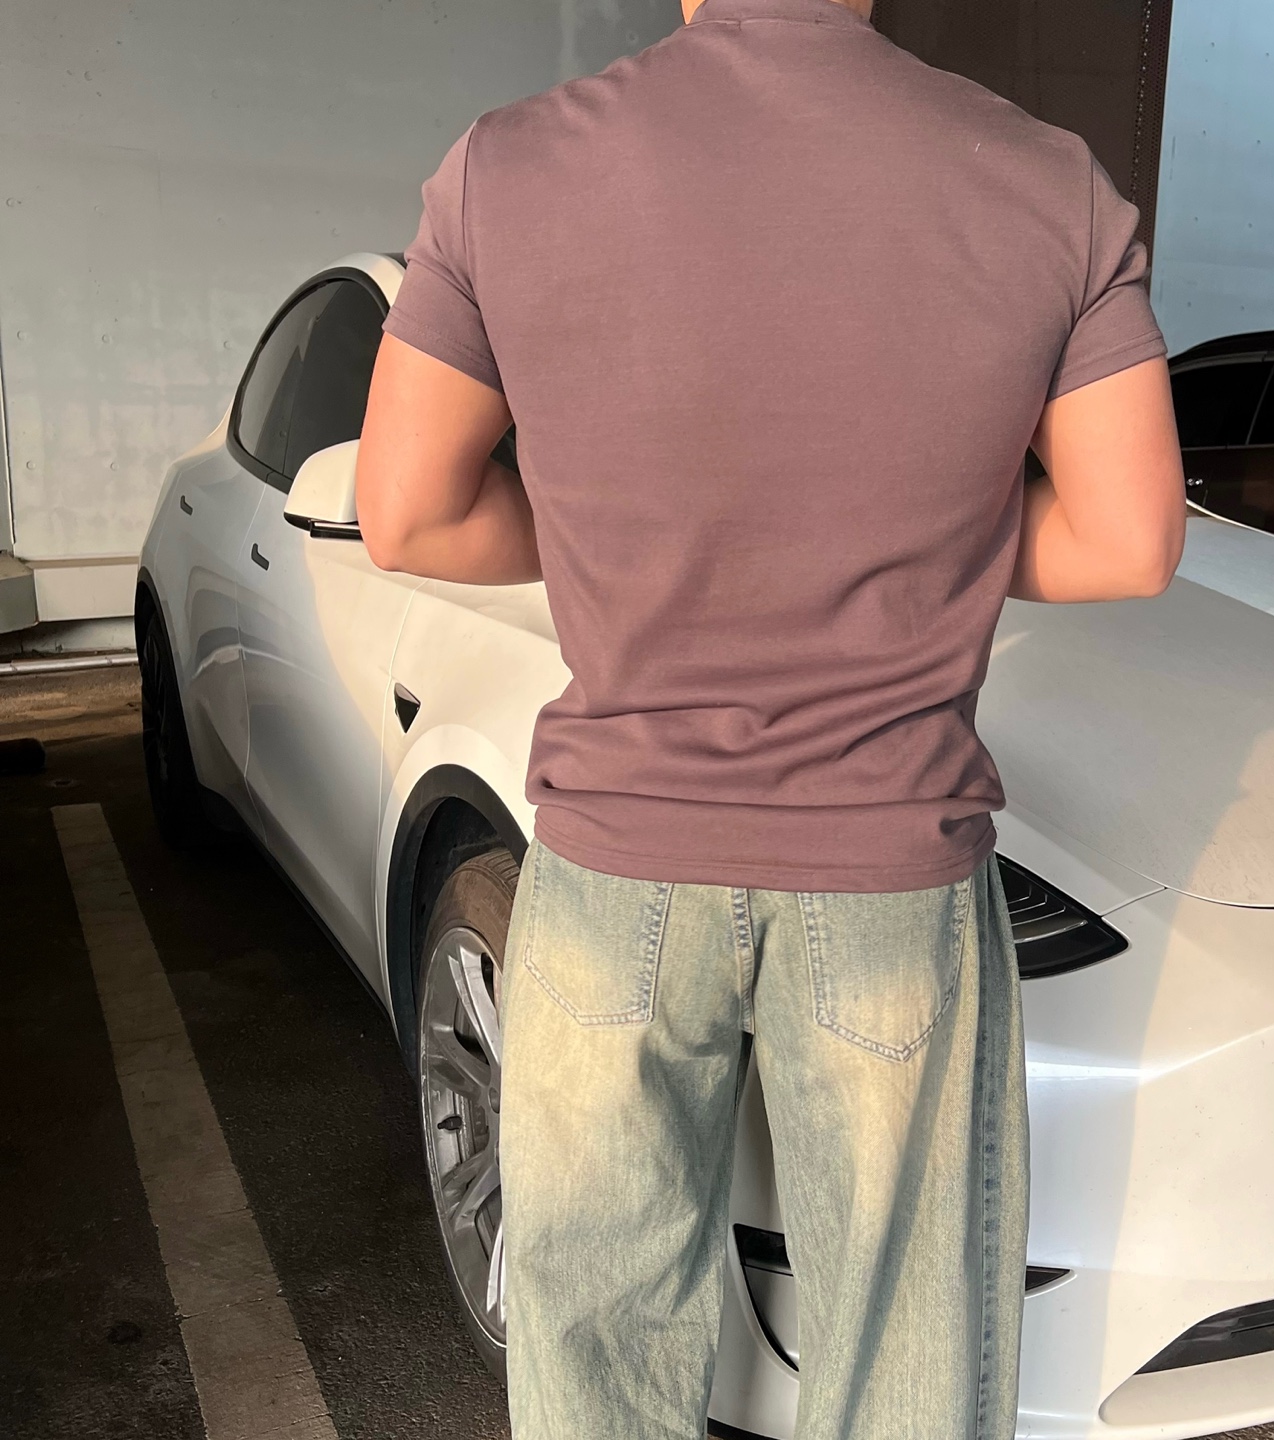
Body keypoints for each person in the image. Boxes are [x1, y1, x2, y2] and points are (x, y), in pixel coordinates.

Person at [355, 0, 1186, 1434]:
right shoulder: (1049, 183)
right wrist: (926, 548)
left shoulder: (508, 168)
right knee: (910, 1357)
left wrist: (623, 546)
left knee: (595, 1346)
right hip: (888, 872)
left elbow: (407, 512)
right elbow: (1128, 539)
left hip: (616, 867)